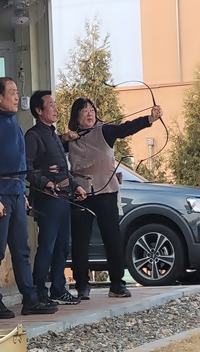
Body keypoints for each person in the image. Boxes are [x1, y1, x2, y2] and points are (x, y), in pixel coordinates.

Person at [0, 77, 58, 319]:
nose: (16, 97)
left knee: (22, 249)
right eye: (11, 92)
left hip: (16, 193)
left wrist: (22, 193)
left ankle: (30, 299)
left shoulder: (14, 123)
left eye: (16, 92)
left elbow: (21, 162)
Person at [65, 97, 162, 300]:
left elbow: (126, 128)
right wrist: (65, 138)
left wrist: (149, 119)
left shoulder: (105, 130)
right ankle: (82, 285)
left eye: (92, 110)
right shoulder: (69, 138)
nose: (90, 114)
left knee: (112, 238)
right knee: (80, 241)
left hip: (106, 192)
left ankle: (117, 284)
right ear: (76, 117)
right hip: (81, 193)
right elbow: (51, 146)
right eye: (84, 111)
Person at [25, 90, 86, 305]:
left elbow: (63, 170)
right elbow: (26, 167)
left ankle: (58, 288)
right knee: (47, 246)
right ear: (39, 110)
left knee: (63, 245)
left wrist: (76, 186)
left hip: (63, 198)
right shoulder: (33, 136)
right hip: (47, 199)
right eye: (50, 105)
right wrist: (45, 183)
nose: (55, 108)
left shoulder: (53, 135)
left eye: (55, 104)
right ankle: (39, 291)